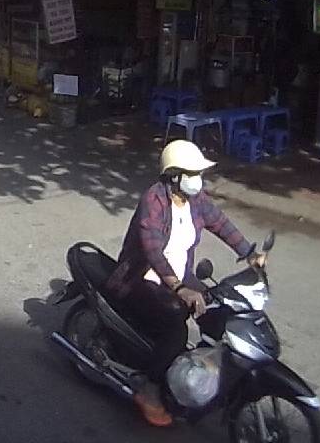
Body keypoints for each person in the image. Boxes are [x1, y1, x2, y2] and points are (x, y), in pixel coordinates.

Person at [104, 140, 266, 427]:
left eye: (198, 173)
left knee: (219, 313)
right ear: (174, 175)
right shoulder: (154, 200)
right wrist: (180, 288)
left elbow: (220, 223)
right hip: (142, 278)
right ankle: (150, 389)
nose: (198, 179)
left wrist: (249, 253)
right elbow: (153, 252)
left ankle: (197, 376)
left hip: (181, 274)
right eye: (191, 173)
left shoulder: (195, 199)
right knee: (176, 330)